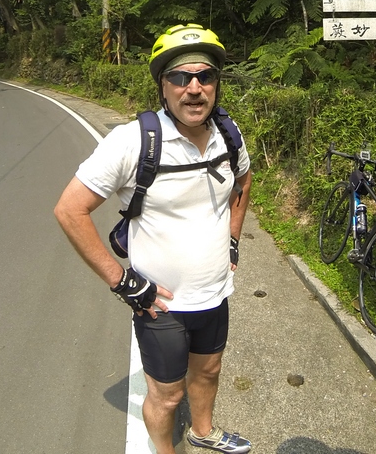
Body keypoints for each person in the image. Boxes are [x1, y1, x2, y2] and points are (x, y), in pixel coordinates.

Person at [54, 23, 253, 454]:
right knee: (167, 395)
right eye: (181, 77)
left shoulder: (228, 134)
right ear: (163, 87)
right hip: (160, 305)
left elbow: (243, 181)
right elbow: (69, 210)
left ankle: (203, 431)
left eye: (205, 76)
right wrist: (122, 281)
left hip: (215, 294)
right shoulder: (133, 142)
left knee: (208, 372)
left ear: (217, 84)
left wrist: (233, 240)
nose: (194, 88)